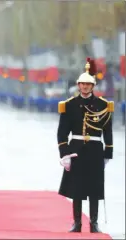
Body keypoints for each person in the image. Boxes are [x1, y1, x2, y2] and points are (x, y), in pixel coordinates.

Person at [57, 58, 114, 233]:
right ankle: (77, 222)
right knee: (77, 188)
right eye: (82, 84)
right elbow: (62, 133)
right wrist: (64, 154)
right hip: (76, 150)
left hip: (95, 150)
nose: (85, 87)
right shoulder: (69, 105)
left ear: (93, 86)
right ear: (78, 85)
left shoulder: (103, 105)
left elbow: (108, 132)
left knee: (94, 187)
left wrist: (107, 153)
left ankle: (94, 223)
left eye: (88, 84)